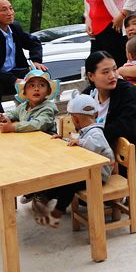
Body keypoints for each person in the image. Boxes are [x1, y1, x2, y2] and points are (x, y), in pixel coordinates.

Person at [28, 94, 115, 228]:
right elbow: (79, 142)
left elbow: (95, 145)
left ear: (75, 119)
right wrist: (63, 140)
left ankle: (57, 211)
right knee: (62, 179)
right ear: (96, 114)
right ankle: (44, 198)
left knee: (69, 183)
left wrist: (79, 142)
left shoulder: (96, 132)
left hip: (99, 175)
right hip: (89, 171)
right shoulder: (86, 131)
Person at [84, 51, 136, 195]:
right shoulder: (88, 95)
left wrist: (88, 138)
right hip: (99, 156)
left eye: (114, 69)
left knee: (82, 190)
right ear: (91, 76)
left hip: (132, 163)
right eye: (105, 72)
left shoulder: (129, 93)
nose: (113, 75)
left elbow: (126, 128)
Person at [0, 69, 58, 135]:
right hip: (28, 138)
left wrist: (13, 127)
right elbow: (13, 113)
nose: (36, 89)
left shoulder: (48, 109)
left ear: (48, 91)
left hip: (46, 139)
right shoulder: (24, 106)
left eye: (42, 85)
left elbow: (38, 124)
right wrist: (3, 118)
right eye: (32, 85)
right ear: (24, 92)